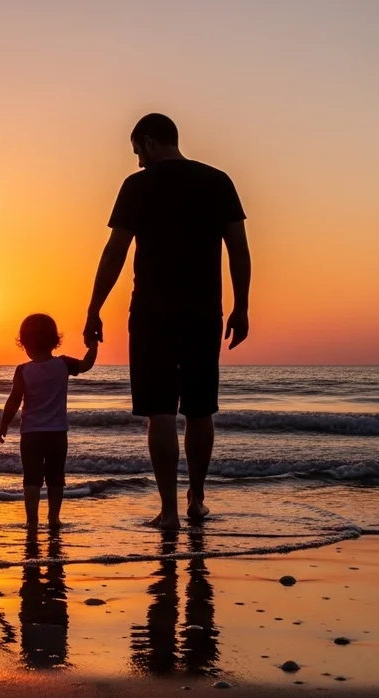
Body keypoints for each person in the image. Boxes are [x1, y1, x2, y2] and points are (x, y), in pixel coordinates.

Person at [84, 113, 252, 530]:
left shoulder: (137, 186)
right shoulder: (218, 180)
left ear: (150, 141)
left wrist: (93, 308)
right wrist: (242, 306)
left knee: (159, 412)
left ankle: (170, 511)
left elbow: (115, 253)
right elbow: (239, 250)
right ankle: (196, 499)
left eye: (138, 150)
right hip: (202, 311)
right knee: (199, 409)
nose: (138, 160)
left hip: (151, 314)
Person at [0, 313, 98, 529]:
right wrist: (94, 344)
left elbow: (14, 400)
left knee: (31, 478)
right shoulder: (63, 364)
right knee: (55, 477)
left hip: (31, 434)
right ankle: (54, 517)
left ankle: (32, 520)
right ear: (54, 340)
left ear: (24, 343)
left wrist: (4, 424)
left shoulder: (23, 370)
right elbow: (87, 364)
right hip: (57, 433)